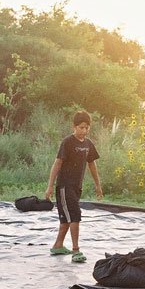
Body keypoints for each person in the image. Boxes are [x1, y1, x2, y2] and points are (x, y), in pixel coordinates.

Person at [44, 110, 103, 263]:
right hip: (64, 186)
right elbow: (57, 163)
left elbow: (92, 164)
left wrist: (98, 184)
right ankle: (76, 250)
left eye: (86, 128)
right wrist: (50, 186)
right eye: (81, 127)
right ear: (74, 126)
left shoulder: (88, 144)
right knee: (75, 215)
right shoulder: (68, 142)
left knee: (65, 220)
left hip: (77, 186)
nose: (84, 131)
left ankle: (58, 245)